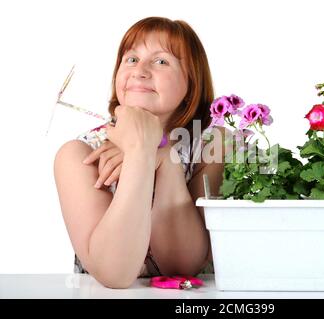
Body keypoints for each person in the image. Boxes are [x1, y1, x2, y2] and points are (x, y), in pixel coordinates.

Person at [54, 17, 225, 289]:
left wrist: (166, 161)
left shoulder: (212, 147)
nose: (140, 70)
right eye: (131, 59)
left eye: (161, 61)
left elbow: (182, 265)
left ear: (192, 82)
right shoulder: (80, 155)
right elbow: (115, 273)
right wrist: (140, 154)